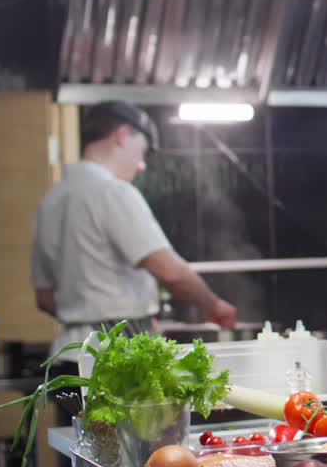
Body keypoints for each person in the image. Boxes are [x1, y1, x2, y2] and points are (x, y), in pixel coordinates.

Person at [31, 100, 238, 358]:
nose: (141, 166)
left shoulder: (50, 201)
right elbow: (169, 271)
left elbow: (44, 298)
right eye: (142, 152)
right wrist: (213, 305)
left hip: (66, 357)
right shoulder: (114, 192)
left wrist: (85, 312)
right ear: (122, 135)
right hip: (117, 355)